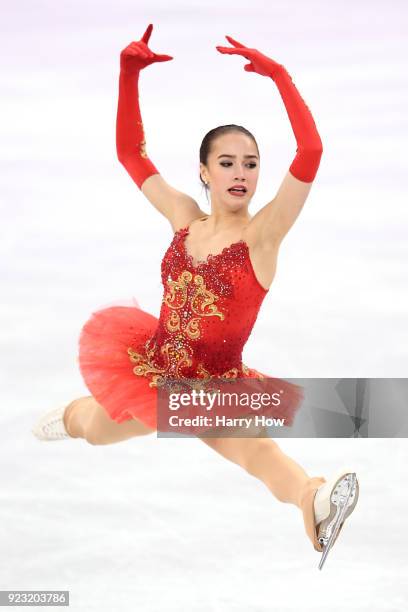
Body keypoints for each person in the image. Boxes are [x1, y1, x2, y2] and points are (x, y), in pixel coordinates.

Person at [32, 24, 359, 569]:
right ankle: (69, 416)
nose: (241, 174)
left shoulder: (265, 235)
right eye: (227, 163)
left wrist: (280, 78)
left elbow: (312, 149)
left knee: (257, 451)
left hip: (215, 384)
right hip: (152, 367)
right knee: (93, 429)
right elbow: (130, 154)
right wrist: (128, 74)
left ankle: (315, 500)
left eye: (251, 164)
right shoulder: (184, 217)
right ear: (204, 172)